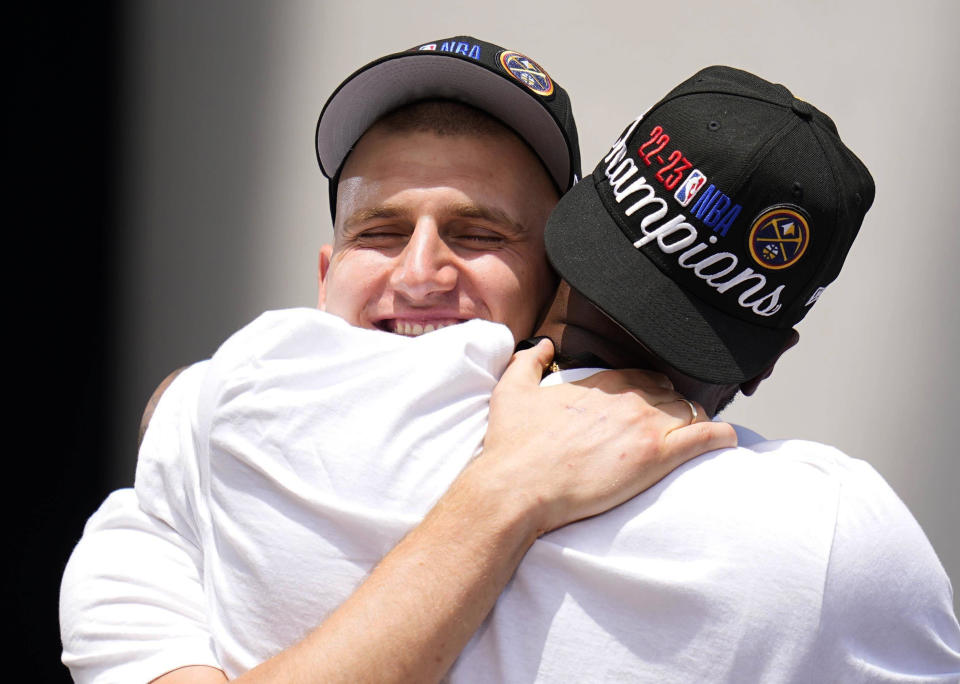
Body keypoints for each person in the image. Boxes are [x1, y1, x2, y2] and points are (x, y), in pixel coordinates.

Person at [63, 55, 960, 684]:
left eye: (480, 234)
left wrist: (191, 405)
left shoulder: (224, 417)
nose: (421, 274)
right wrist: (505, 493)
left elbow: (189, 399)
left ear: (555, 267)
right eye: (379, 231)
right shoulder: (837, 531)